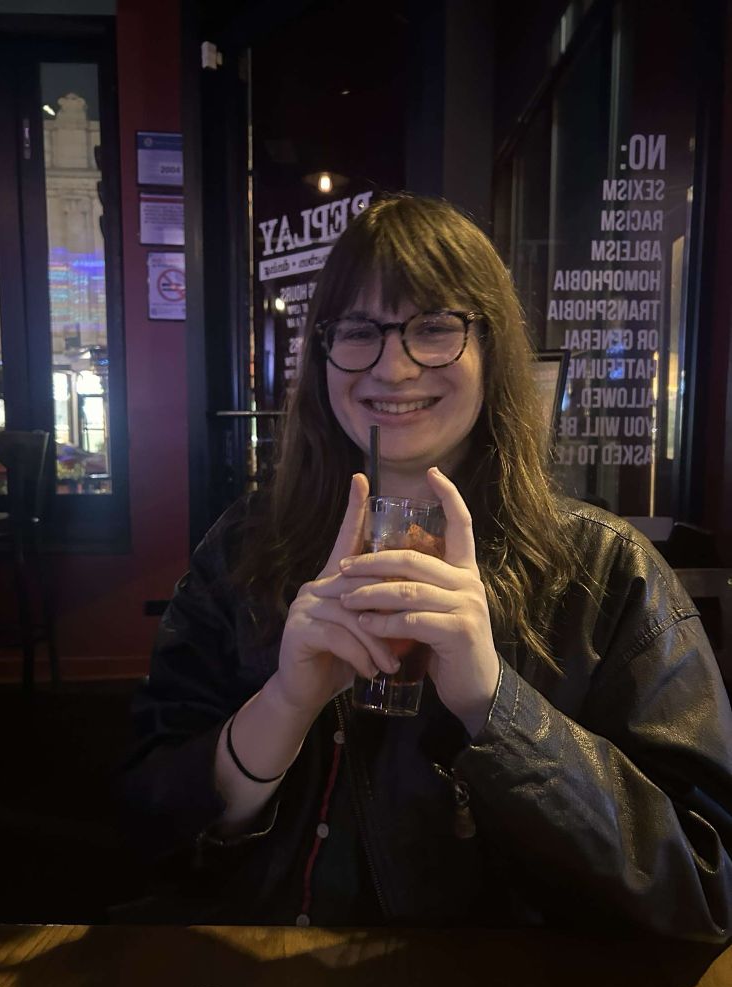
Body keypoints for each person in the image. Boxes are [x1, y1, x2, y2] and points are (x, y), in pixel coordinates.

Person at [122, 193, 732, 940]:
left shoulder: (610, 572)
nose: (394, 364)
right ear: (323, 354)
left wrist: (493, 703)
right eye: (358, 331)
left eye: (434, 327)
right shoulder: (242, 551)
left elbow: (706, 888)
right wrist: (284, 704)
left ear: (493, 347)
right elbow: (143, 827)